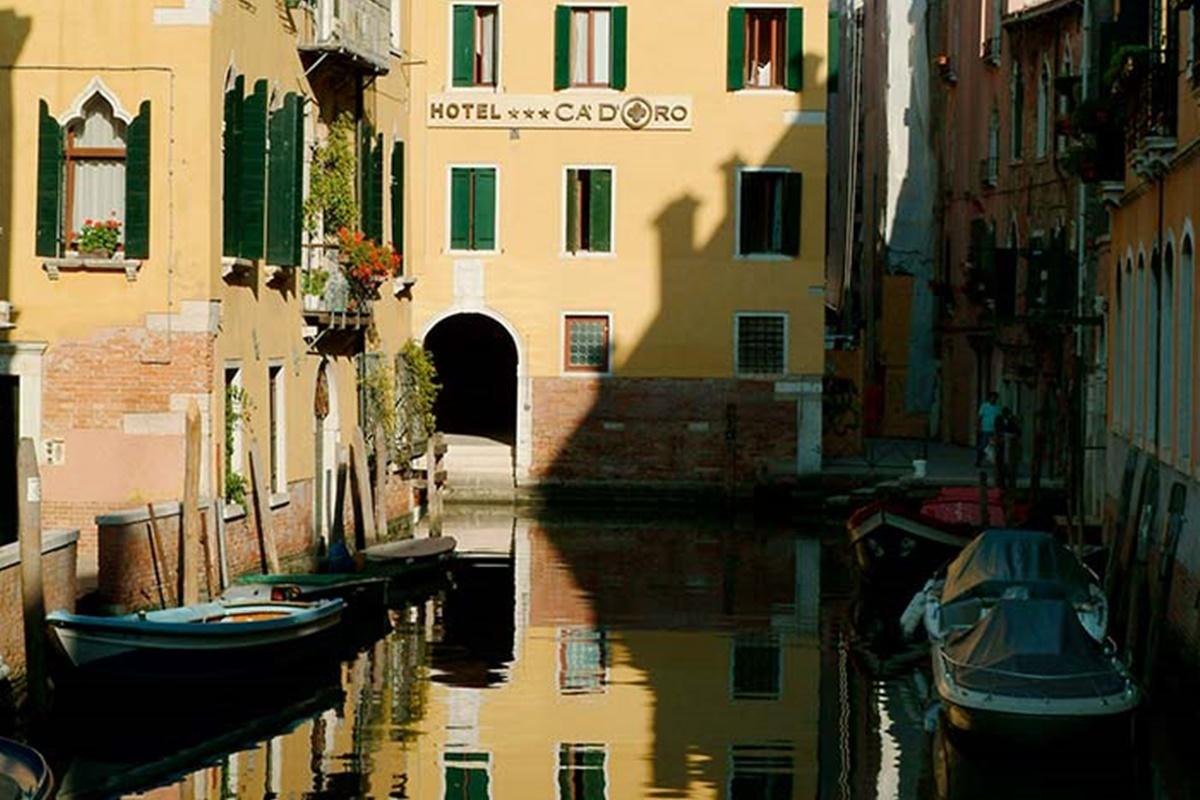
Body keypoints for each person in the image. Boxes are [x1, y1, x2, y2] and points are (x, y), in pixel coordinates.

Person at [976, 392, 1001, 467]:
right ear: (989, 398)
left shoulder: (997, 408)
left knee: (993, 447)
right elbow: (980, 417)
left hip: (994, 430)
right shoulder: (984, 406)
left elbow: (999, 418)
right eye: (992, 398)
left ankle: (994, 461)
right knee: (983, 446)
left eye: (995, 398)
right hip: (985, 429)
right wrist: (978, 427)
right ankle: (979, 460)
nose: (993, 399)